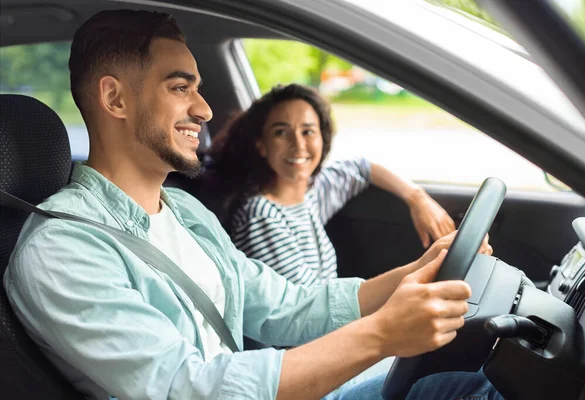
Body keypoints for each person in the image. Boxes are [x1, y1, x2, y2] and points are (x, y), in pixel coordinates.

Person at [3, 9, 503, 400]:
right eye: (181, 88)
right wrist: (380, 336)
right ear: (115, 99)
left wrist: (417, 270)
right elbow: (188, 389)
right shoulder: (62, 249)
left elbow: (288, 307)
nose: (204, 109)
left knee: (467, 374)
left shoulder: (185, 212)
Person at [208, 84, 458, 285]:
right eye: (281, 132)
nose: (298, 145)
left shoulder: (311, 192)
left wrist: (418, 198)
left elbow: (360, 168)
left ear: (322, 138)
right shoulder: (261, 217)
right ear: (261, 145)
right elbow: (311, 308)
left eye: (308, 131)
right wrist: (424, 269)